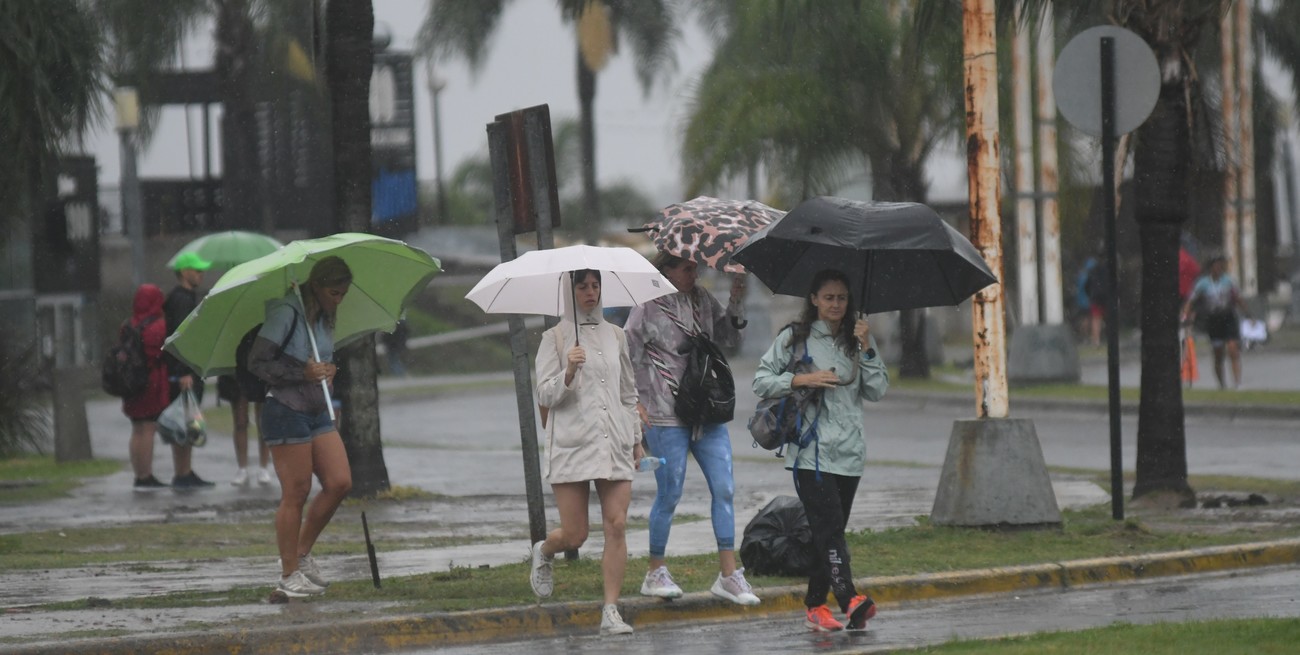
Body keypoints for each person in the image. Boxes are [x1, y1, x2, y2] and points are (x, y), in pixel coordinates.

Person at [752, 269, 889, 633]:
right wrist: (802, 379)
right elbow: (761, 380)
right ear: (814, 299)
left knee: (826, 534)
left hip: (850, 454)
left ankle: (815, 605)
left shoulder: (855, 341)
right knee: (830, 531)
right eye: (828, 297)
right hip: (810, 454)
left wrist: (869, 345)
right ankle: (850, 599)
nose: (835, 304)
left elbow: (876, 391)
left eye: (842, 298)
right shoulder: (794, 338)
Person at [623, 253, 759, 606]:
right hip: (665, 414)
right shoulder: (647, 306)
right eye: (686, 268)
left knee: (725, 488)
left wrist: (736, 299)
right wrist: (635, 401)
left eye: (694, 267)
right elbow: (626, 355)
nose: (693, 273)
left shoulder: (702, 299)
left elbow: (728, 337)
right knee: (670, 493)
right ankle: (655, 571)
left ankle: (729, 576)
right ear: (664, 270)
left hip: (705, 411)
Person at [528, 269, 642, 636]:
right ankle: (544, 551)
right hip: (573, 443)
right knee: (576, 535)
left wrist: (636, 439)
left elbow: (628, 393)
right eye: (582, 286)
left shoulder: (617, 335)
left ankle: (610, 610)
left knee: (617, 524)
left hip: (614, 441)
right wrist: (569, 370)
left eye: (595, 285)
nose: (590, 292)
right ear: (569, 290)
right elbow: (544, 395)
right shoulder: (555, 338)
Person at [248, 256, 354, 597]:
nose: (339, 300)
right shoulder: (286, 312)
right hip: (285, 408)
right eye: (334, 293)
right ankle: (288, 572)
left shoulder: (325, 317)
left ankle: (302, 553)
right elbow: (258, 362)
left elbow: (320, 358)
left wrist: (329, 369)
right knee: (295, 491)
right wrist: (302, 373)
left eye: (343, 294)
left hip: (317, 407)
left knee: (339, 481)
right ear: (318, 286)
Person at [161, 252, 216, 488]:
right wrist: (184, 371)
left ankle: (185, 471)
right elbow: (181, 337)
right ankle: (181, 472)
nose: (201, 275)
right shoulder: (181, 299)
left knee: (188, 421)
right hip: (184, 372)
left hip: (189, 369)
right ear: (184, 272)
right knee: (184, 422)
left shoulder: (187, 297)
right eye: (197, 270)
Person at [122, 284, 173, 492]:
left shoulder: (127, 325)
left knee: (136, 429)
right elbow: (161, 354)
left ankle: (139, 474)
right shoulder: (158, 326)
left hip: (131, 383)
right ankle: (146, 475)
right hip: (151, 384)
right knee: (149, 429)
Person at [1182, 256, 1251, 389]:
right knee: (1218, 353)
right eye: (1216, 266)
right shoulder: (1203, 283)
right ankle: (1221, 384)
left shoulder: (1228, 281)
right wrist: (1186, 315)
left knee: (1233, 349)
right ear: (1211, 268)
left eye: (1221, 266)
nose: (1219, 269)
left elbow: (1238, 298)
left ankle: (1237, 383)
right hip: (1214, 320)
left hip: (1228, 318)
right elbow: (1191, 300)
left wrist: (1248, 314)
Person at [216, 374, 272, 486]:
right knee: (240, 421)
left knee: (263, 421)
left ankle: (263, 468)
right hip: (238, 371)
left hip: (260, 371)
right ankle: (242, 468)